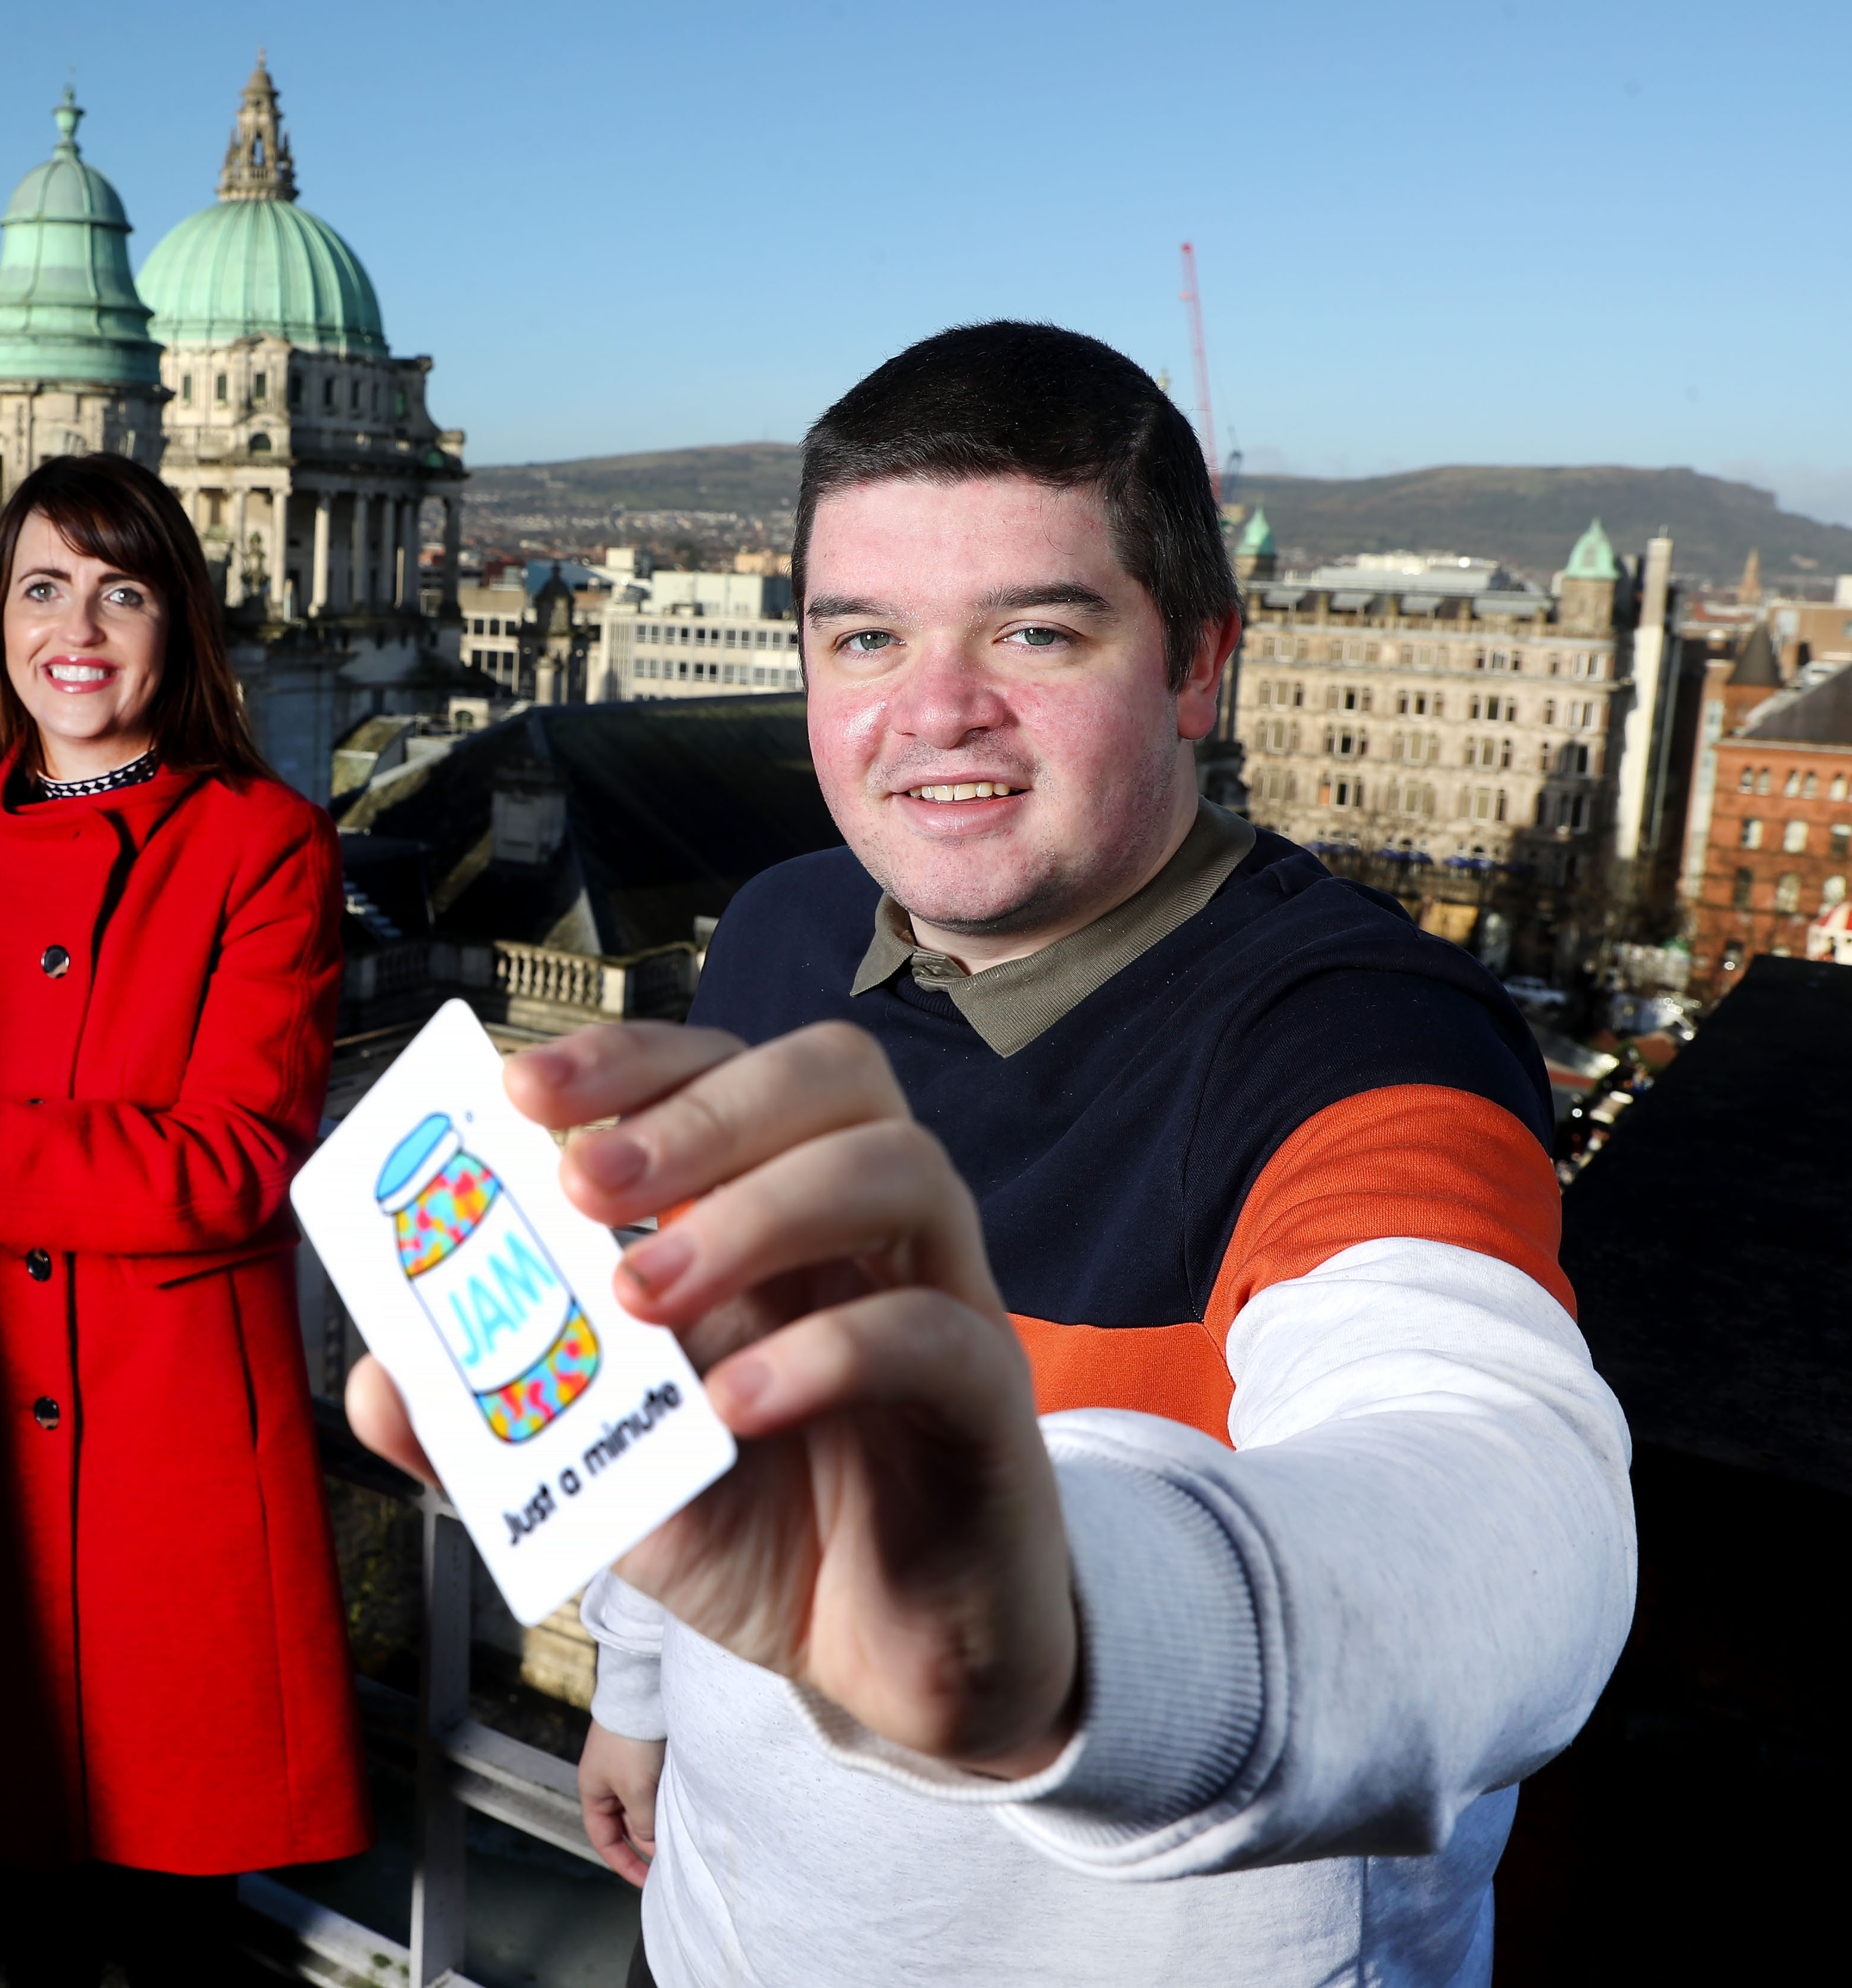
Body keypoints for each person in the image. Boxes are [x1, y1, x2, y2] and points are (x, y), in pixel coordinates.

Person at [346, 322, 1634, 1986]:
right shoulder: (782, 932)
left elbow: (1492, 1513)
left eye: (1034, 629)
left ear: (1193, 669)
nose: (933, 712)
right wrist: (645, 1695)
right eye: (862, 636)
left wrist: (1052, 1651)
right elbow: (690, 1377)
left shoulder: (1356, 1035)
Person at [0, 452, 371, 1984]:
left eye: (121, 587)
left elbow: (233, 1158)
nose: (76, 627)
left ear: (177, 622)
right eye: (41, 587)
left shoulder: (265, 843)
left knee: (162, 1933)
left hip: (169, 1464)